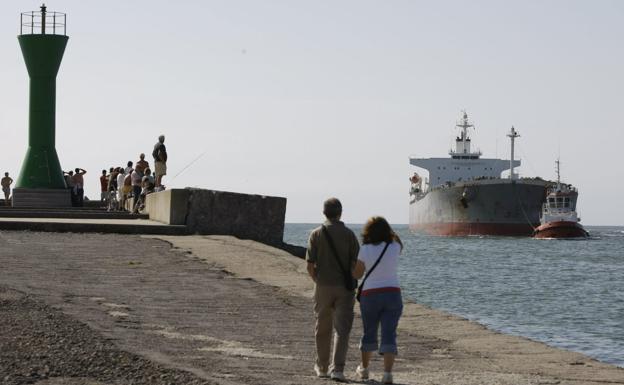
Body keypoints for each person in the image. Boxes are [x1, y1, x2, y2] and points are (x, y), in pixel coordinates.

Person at [306, 198, 360, 381]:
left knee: (322, 326)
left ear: (324, 212)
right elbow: (356, 264)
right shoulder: (350, 235)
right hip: (344, 288)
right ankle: (337, 369)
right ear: (340, 213)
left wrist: (317, 280)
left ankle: (321, 367)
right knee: (342, 329)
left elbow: (310, 264)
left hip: (322, 286)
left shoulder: (316, 234)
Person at [352, 217, 403, 385]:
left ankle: (364, 369)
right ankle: (387, 374)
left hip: (370, 295)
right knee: (389, 333)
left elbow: (358, 275)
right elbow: (398, 242)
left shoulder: (365, 249)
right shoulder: (394, 247)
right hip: (393, 293)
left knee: (369, 331)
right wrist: (391, 233)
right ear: (388, 231)